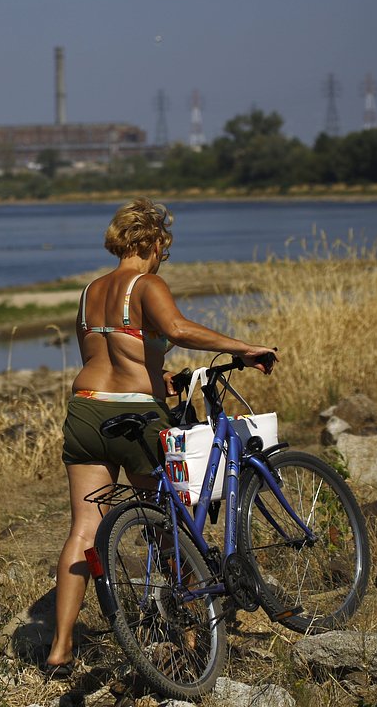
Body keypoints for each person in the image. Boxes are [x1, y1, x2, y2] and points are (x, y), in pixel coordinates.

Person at [43, 197, 278, 677]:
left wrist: (160, 376)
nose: (160, 257)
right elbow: (177, 328)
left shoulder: (89, 291)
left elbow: (108, 351)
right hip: (137, 418)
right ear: (151, 242)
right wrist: (245, 347)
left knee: (84, 529)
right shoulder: (146, 283)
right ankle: (194, 627)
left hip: (86, 411)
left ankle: (60, 648)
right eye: (161, 249)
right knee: (168, 521)